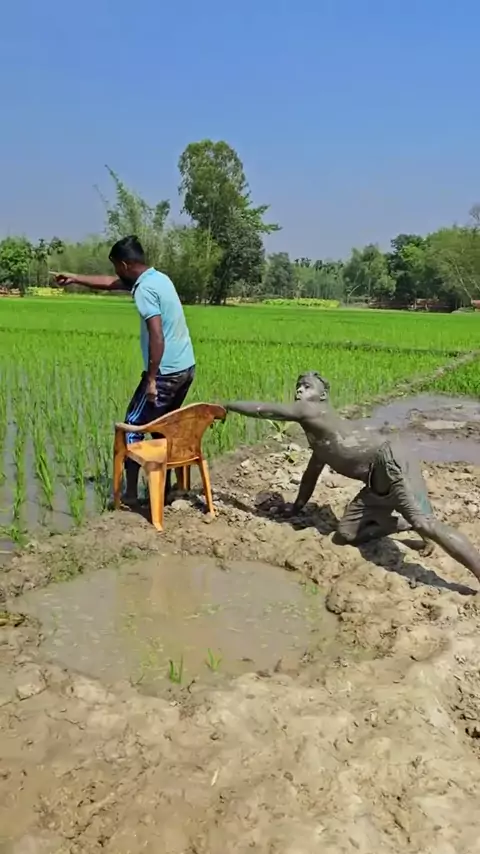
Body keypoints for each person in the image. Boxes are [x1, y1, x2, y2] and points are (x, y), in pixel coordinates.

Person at [224, 371, 480, 586]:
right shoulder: (321, 440)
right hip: (375, 478)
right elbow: (310, 476)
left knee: (426, 523)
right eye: (298, 386)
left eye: (307, 386)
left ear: (323, 396)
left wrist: (225, 405)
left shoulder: (311, 410)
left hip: (389, 458)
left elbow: (265, 410)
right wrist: (296, 508)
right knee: (345, 534)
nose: (299, 390)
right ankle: (404, 524)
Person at [52, 235, 195, 504]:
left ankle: (129, 495)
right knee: (162, 426)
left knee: (130, 427)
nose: (116, 272)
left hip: (164, 373)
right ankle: (167, 490)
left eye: (116, 266)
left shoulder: (144, 289)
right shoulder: (158, 278)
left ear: (125, 264)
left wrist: (151, 379)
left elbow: (157, 335)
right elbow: (112, 283)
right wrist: (74, 278)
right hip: (185, 368)